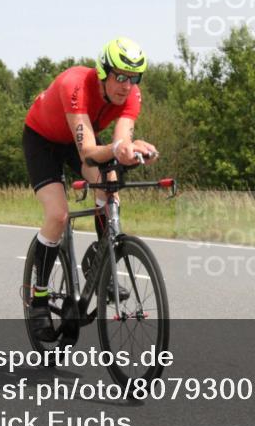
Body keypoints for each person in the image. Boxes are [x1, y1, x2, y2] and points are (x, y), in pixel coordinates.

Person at [22, 37, 158, 341]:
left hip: (78, 139)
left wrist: (133, 150)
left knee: (110, 187)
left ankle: (101, 259)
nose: (126, 86)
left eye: (133, 78)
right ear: (103, 72)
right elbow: (87, 152)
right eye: (120, 77)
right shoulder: (77, 86)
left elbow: (121, 140)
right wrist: (119, 148)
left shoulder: (132, 96)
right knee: (58, 215)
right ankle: (38, 297)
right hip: (43, 140)